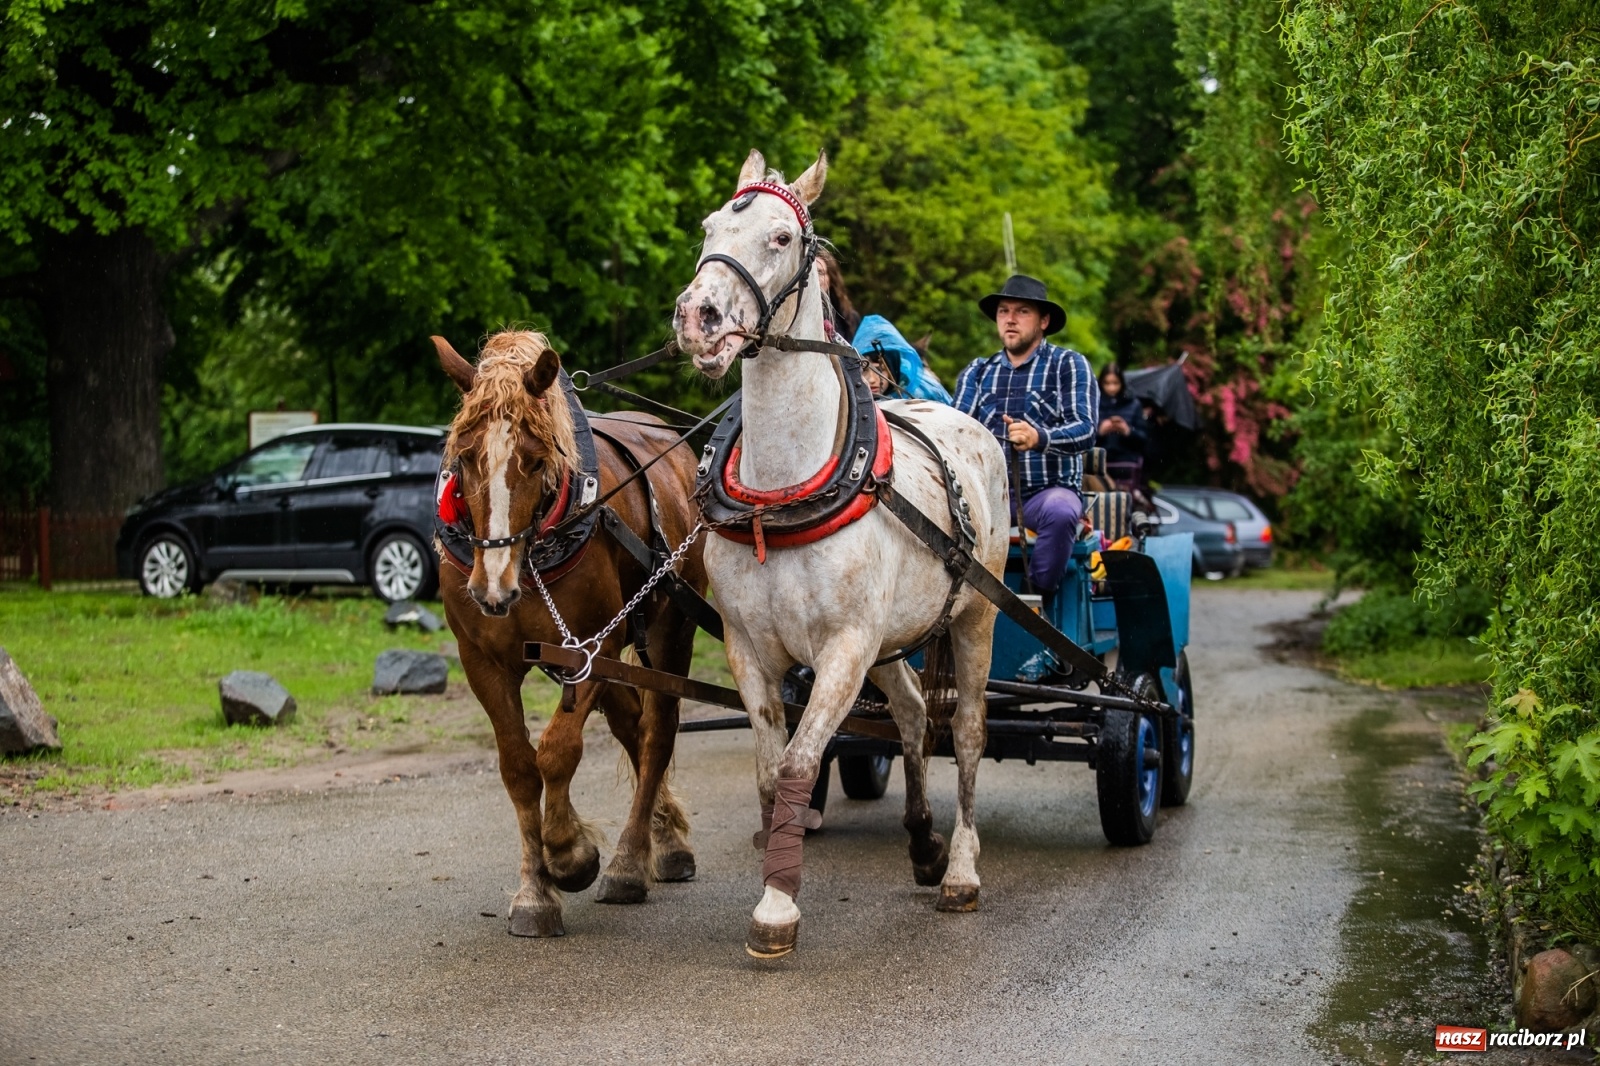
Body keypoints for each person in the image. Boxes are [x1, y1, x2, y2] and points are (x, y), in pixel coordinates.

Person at [954, 275, 1097, 599]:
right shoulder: (977, 371)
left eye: (1022, 312)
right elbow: (955, 430)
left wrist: (1039, 437)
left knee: (1061, 511)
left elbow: (1086, 428)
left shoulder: (1069, 365)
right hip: (986, 497)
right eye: (1003, 311)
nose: (1010, 319)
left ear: (1044, 321)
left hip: (1043, 496)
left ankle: (1036, 602)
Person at [852, 314, 952, 403]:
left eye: (879, 370)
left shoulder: (925, 395)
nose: (871, 380)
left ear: (893, 369)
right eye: (863, 370)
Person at [1095, 363, 1148, 487]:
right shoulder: (1093, 403)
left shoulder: (1134, 404)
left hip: (1126, 464)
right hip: (1099, 465)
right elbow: (1083, 437)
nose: (1111, 388)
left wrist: (1127, 431)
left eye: (1115, 383)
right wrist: (1100, 432)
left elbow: (1144, 438)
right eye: (1107, 383)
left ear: (1122, 383)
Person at [816, 249, 861, 342]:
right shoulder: (794, 315)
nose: (814, 277)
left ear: (831, 278)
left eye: (820, 272)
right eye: (810, 272)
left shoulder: (849, 318)